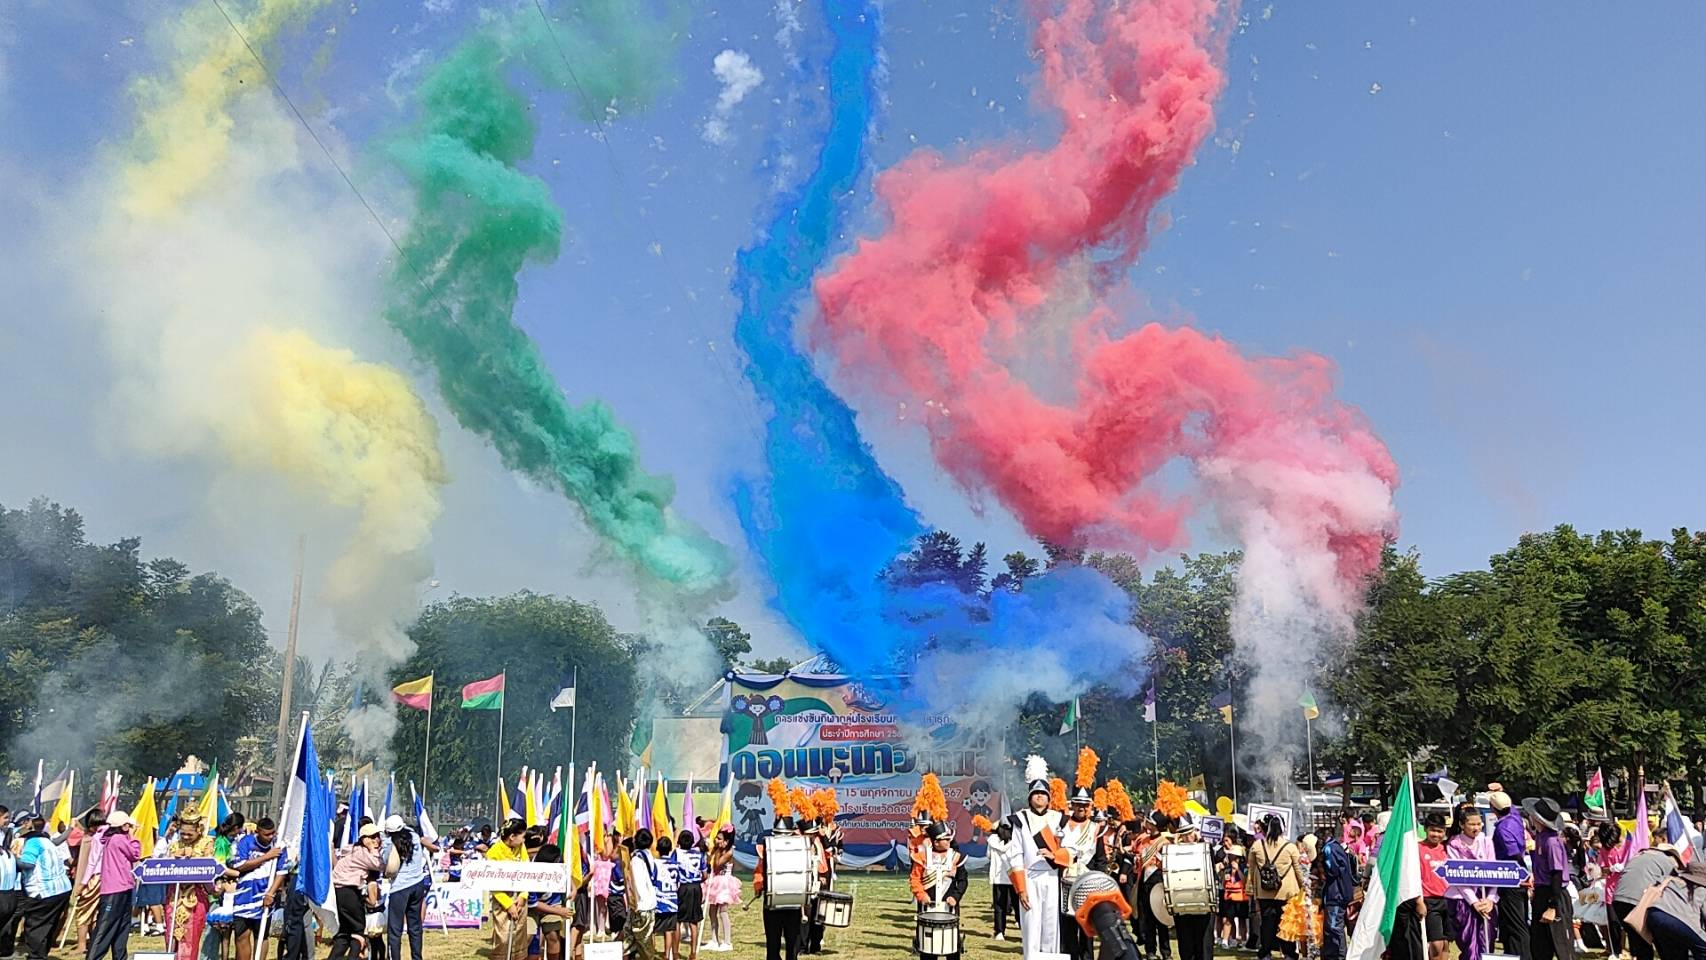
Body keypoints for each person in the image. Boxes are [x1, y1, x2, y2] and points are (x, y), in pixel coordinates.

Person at [1007, 757, 1067, 960]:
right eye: (1036, 794)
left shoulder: (1059, 818)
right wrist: (1021, 889)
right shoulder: (1020, 818)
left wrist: (1056, 856)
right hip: (1030, 877)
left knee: (1051, 926)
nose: (1040, 797)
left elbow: (1068, 848)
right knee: (1031, 924)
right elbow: (1015, 854)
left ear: (1049, 797)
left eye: (1043, 794)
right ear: (1030, 797)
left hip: (1052, 876)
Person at [225, 817, 286, 960]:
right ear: (258, 832)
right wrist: (266, 856)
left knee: (262, 935)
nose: (270, 837)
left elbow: (282, 872)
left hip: (265, 894)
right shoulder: (245, 842)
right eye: (266, 834)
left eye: (273, 833)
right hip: (244, 895)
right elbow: (240, 865)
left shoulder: (279, 845)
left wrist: (270, 894)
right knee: (241, 935)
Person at [16, 809, 72, 960]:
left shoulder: (33, 842)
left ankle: (36, 957)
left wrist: (12, 859)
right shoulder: (46, 840)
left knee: (35, 928)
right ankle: (41, 955)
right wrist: (71, 829)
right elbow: (59, 840)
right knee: (48, 926)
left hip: (44, 891)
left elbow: (27, 864)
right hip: (62, 889)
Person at [1525, 797, 1577, 960]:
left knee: (1562, 945)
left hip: (1555, 894)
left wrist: (1553, 906)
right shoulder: (1540, 837)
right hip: (1542, 892)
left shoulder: (1552, 841)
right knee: (1539, 946)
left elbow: (1557, 873)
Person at [1445, 806, 1500, 960]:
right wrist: (1474, 902)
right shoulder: (1454, 844)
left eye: (1479, 824)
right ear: (1462, 825)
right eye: (1472, 824)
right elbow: (1457, 876)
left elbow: (1495, 872)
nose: (1476, 828)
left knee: (1487, 940)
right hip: (1463, 899)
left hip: (1486, 898)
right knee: (1470, 942)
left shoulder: (1486, 841)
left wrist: (1490, 899)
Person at [163, 812, 218, 960]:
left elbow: (209, 870)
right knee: (171, 937)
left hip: (195, 897)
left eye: (190, 834)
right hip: (174, 898)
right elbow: (162, 870)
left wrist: (192, 858)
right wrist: (173, 859)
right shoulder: (175, 845)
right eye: (183, 834)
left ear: (199, 830)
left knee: (190, 940)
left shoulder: (207, 843)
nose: (186, 837)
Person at [87, 811, 142, 960]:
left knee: (122, 928)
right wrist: (133, 837)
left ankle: (120, 957)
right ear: (123, 826)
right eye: (128, 825)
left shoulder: (114, 838)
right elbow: (135, 853)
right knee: (104, 928)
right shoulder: (118, 839)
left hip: (124, 887)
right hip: (115, 889)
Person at [909, 822, 968, 960]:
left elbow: (963, 881)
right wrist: (921, 895)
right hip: (927, 906)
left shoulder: (955, 857)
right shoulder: (922, 857)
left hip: (950, 907)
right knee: (928, 946)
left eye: (949, 839)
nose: (949, 841)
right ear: (936, 842)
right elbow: (914, 879)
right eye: (945, 839)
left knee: (951, 945)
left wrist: (956, 896)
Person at [327, 822, 385, 960]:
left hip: (339, 891)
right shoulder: (362, 853)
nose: (376, 840)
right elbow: (380, 865)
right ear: (364, 839)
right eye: (372, 837)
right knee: (359, 930)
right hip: (348, 891)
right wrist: (373, 849)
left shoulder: (352, 849)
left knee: (345, 932)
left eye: (377, 836)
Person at [1248, 815, 1303, 960]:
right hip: (1286, 892)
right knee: (1286, 924)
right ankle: (1289, 953)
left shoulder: (1257, 846)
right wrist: (1305, 887)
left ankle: (1265, 952)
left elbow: (1251, 870)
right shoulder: (1290, 847)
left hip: (1264, 892)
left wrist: (1251, 890)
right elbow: (1299, 870)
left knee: (1266, 924)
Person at [1614, 843, 1680, 960]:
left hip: (1619, 899)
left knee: (1639, 942)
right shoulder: (1667, 861)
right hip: (1639, 901)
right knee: (1660, 939)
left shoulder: (1639, 856)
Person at [382, 815, 432, 960]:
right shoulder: (415, 837)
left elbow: (386, 863)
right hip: (417, 884)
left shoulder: (389, 843)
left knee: (395, 930)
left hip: (400, 888)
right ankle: (417, 957)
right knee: (415, 927)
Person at [752, 817, 802, 960]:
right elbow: (760, 872)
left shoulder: (797, 848)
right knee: (782, 944)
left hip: (785, 902)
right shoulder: (771, 849)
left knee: (784, 944)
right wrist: (759, 884)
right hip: (782, 902)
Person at [1491, 791, 1532, 960]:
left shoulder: (1502, 829)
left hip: (1510, 877)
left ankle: (1522, 956)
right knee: (1511, 923)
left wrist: (1522, 871)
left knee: (1515, 924)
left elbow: (1512, 852)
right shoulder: (1515, 818)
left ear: (1493, 808)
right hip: (1518, 876)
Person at [485, 819, 531, 960]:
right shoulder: (493, 853)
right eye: (522, 836)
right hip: (502, 901)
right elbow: (492, 883)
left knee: (519, 937)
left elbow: (528, 871)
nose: (524, 839)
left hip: (520, 900)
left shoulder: (521, 847)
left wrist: (523, 896)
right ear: (512, 837)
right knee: (504, 938)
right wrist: (508, 904)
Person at [1646, 859, 1706, 960]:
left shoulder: (1672, 881)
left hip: (1655, 914)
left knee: (1674, 953)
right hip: (1680, 920)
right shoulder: (1701, 889)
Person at [528, 844, 573, 960]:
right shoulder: (530, 871)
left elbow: (566, 873)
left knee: (553, 935)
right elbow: (534, 904)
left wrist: (574, 889)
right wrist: (559, 912)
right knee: (529, 935)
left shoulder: (558, 866)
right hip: (531, 908)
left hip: (552, 902)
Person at [1319, 825, 1357, 960]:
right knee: (1333, 927)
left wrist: (1322, 870)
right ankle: (1332, 955)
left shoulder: (1329, 849)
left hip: (1336, 893)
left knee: (1334, 927)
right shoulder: (1336, 847)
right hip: (1339, 892)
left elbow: (1332, 870)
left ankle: (1338, 956)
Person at [1419, 813, 1453, 960]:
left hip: (1449, 899)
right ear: (1426, 829)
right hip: (1429, 900)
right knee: (1435, 944)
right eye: (1433, 830)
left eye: (1440, 831)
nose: (1436, 834)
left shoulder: (1448, 849)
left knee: (1446, 943)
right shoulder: (1418, 848)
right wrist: (1419, 901)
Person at [703, 828, 740, 953]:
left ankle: (727, 941)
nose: (716, 840)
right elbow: (710, 862)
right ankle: (714, 939)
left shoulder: (729, 852)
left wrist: (717, 850)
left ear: (726, 841)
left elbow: (718, 863)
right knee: (712, 911)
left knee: (723, 912)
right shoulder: (718, 849)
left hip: (724, 883)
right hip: (715, 881)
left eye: (719, 838)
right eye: (716, 838)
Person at [626, 830, 660, 960]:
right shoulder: (649, 855)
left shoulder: (636, 859)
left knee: (643, 942)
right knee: (630, 937)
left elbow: (638, 884)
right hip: (649, 903)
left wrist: (636, 904)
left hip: (642, 905)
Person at [673, 831, 706, 960]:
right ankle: (693, 953)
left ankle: (675, 952)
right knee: (694, 921)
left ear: (679, 842)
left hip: (683, 887)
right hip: (696, 888)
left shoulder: (677, 853)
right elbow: (705, 875)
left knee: (678, 920)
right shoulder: (699, 855)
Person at [987, 821, 1019, 942]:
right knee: (1017, 903)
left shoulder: (991, 840)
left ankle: (999, 932)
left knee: (999, 905)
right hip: (1014, 875)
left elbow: (989, 855)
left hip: (998, 877)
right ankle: (1020, 924)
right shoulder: (1016, 839)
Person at [0, 806, 23, 959]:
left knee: (6, 925)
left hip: (9, 890)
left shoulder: (7, 835)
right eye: (5, 818)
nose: (7, 821)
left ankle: (6, 951)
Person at [654, 835, 681, 960]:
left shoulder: (655, 863)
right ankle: (667, 954)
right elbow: (678, 881)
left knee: (653, 929)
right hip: (672, 901)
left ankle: (652, 952)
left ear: (657, 849)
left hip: (659, 901)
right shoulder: (675, 864)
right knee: (669, 930)